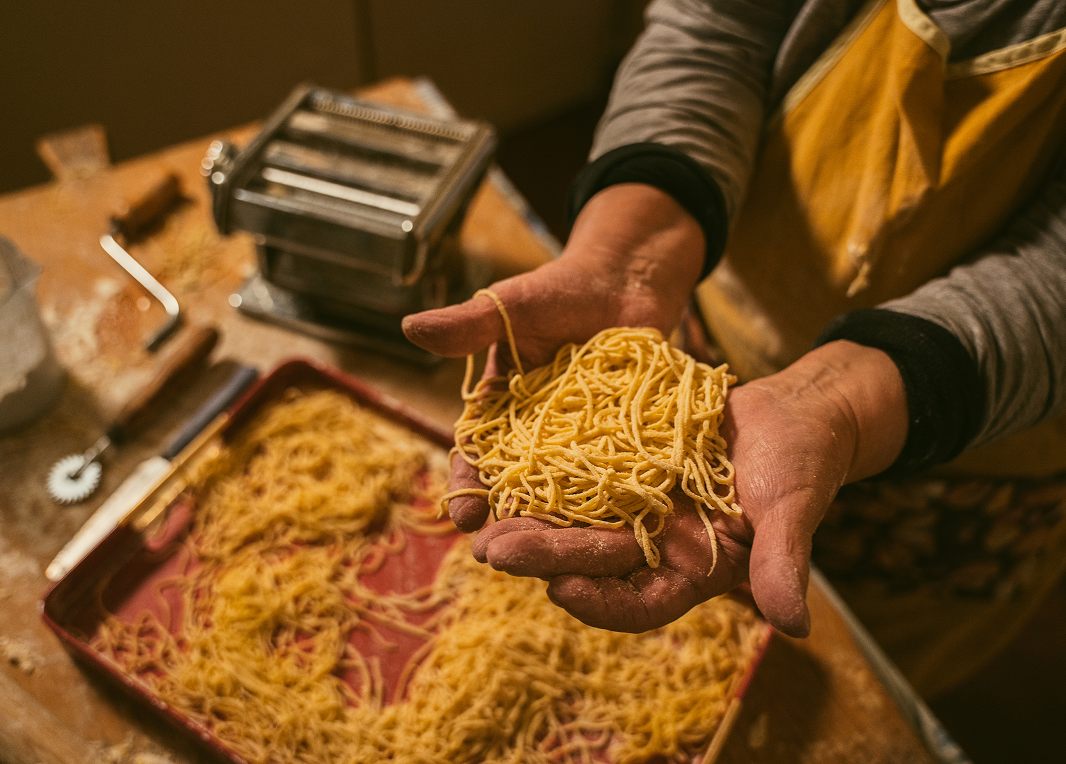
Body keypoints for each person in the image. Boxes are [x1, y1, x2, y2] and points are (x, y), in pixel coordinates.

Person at [403, 0, 1066, 693]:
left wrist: (840, 401)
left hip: (968, 429)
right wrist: (629, 249)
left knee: (845, 676)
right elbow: (718, 26)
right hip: (712, 358)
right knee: (690, 650)